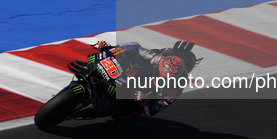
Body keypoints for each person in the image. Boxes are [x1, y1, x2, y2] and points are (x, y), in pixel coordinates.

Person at [71, 40, 201, 120]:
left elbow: (152, 111)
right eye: (172, 55)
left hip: (138, 94)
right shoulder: (159, 55)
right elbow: (135, 48)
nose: (171, 59)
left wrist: (144, 101)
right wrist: (110, 48)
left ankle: (105, 107)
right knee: (111, 56)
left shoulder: (175, 89)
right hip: (130, 73)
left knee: (131, 108)